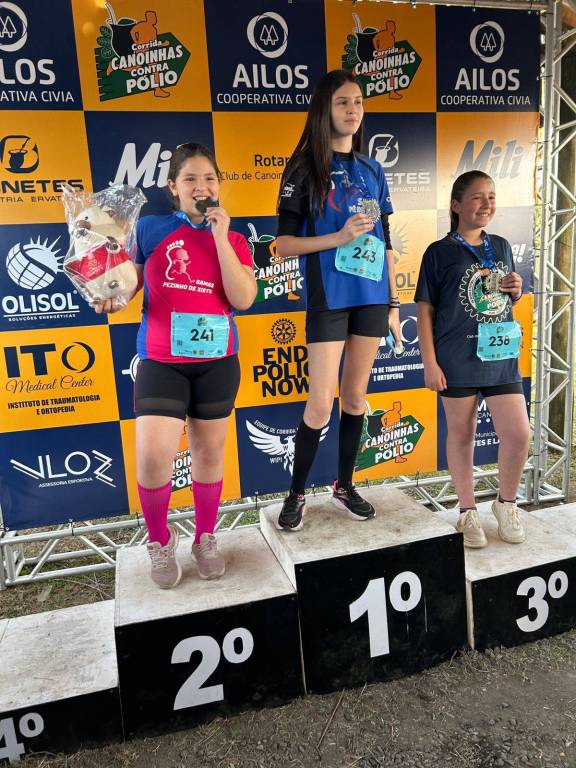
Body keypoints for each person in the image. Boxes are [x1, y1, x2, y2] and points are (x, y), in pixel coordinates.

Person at [96, 143, 256, 586]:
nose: (201, 187)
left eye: (209, 179)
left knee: (208, 454)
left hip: (217, 362)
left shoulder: (235, 239)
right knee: (152, 457)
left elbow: (243, 299)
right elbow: (124, 288)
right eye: (190, 179)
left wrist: (219, 237)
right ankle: (160, 540)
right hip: (161, 361)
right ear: (173, 187)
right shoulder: (150, 229)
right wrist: (105, 294)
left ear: (219, 185)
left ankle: (205, 537)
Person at [275, 69, 401, 531]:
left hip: (372, 297)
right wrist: (338, 237)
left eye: (358, 102)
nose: (353, 110)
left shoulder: (372, 170)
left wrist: (393, 303)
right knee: (320, 405)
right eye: (343, 102)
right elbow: (282, 245)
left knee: (356, 398)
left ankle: (344, 485)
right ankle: (296, 494)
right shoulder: (303, 168)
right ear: (324, 110)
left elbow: (386, 242)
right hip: (330, 297)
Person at [415, 170, 529, 548]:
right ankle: (467, 511)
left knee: (519, 433)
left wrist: (516, 289)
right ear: (456, 205)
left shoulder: (501, 245)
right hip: (456, 358)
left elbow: (504, 296)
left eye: (491, 196)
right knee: (462, 434)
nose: (486, 204)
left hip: (500, 355)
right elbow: (425, 310)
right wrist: (429, 363)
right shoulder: (438, 252)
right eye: (478, 197)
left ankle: (505, 503)